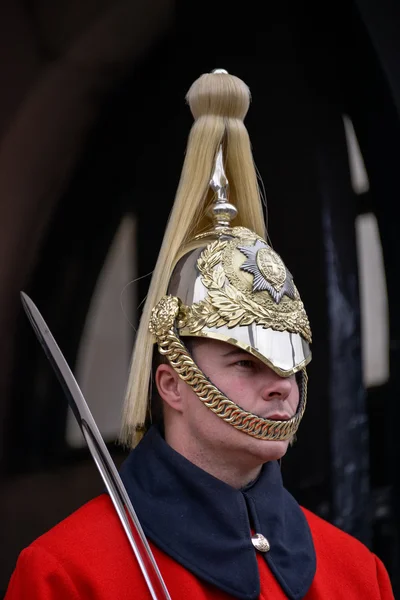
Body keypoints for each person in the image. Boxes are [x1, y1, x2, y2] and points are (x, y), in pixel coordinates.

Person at [5, 70, 394, 599]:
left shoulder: (356, 574)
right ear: (171, 384)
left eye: (288, 363)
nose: (281, 385)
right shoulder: (68, 572)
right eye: (246, 362)